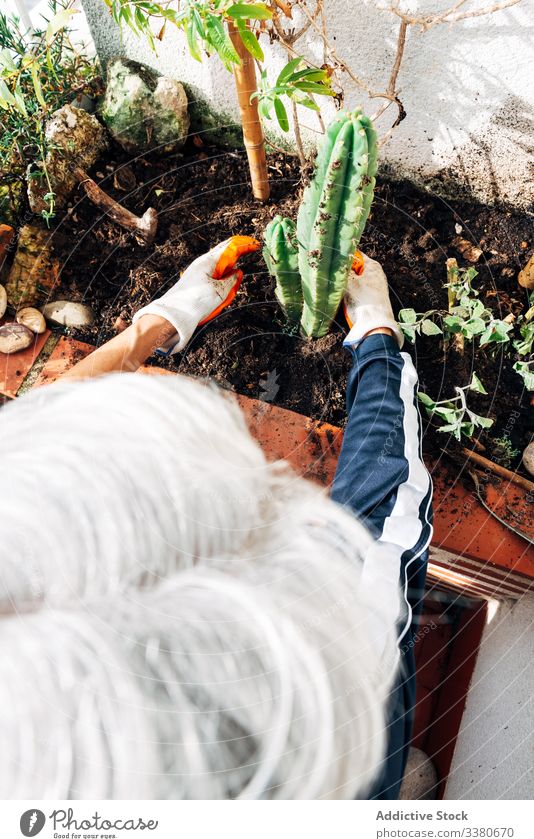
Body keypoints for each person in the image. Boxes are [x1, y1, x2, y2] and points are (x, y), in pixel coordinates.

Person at [0, 240, 432, 800]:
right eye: (264, 505)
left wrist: (160, 322)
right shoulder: (348, 666)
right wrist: (377, 338)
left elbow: (46, 451)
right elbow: (384, 501)